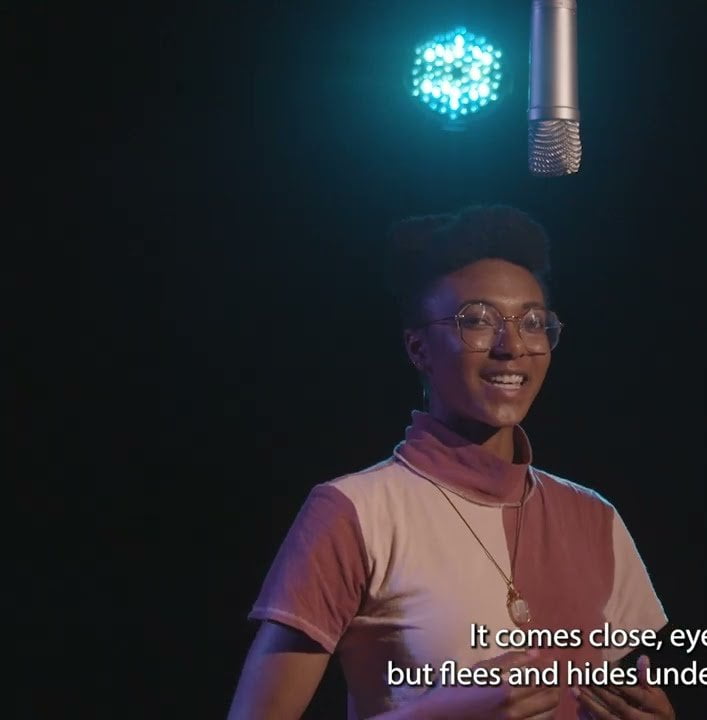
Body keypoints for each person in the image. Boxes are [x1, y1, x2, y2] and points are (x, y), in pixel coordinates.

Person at [228, 205, 676, 720]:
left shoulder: (594, 517)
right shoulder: (354, 512)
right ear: (418, 347)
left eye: (533, 323)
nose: (512, 347)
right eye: (477, 322)